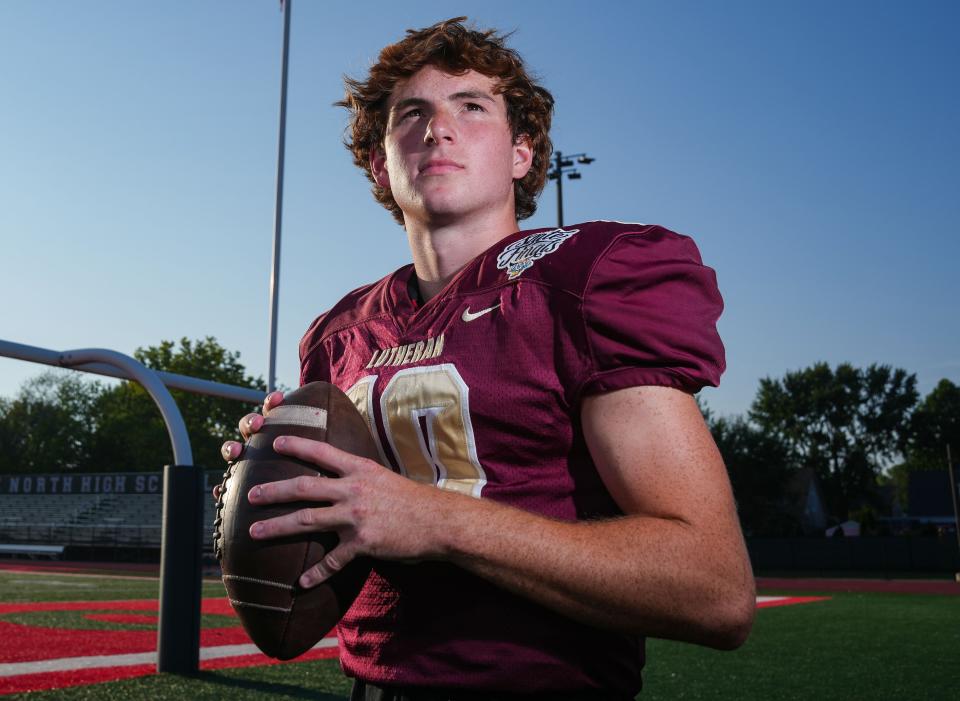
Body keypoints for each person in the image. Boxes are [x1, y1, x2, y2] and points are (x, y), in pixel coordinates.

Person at [219, 17, 755, 701]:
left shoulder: (584, 282)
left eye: (471, 107)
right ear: (382, 166)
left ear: (522, 154)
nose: (437, 128)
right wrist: (275, 490)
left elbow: (715, 587)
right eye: (410, 115)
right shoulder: (340, 333)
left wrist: (436, 519)